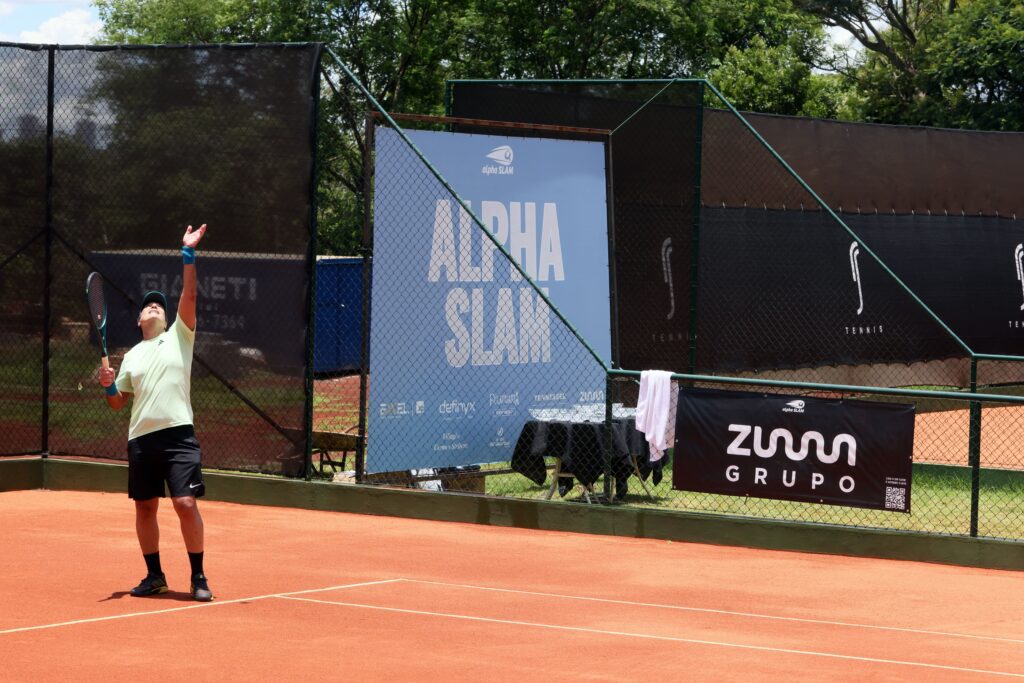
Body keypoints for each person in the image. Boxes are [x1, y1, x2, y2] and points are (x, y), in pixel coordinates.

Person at [98, 224, 213, 602]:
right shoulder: (131, 355)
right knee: (145, 507)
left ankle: (198, 576)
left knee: (184, 503)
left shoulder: (180, 335)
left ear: (167, 317)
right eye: (149, 304)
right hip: (140, 439)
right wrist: (109, 385)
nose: (154, 306)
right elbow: (118, 403)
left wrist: (188, 253)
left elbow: (191, 295)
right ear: (139, 320)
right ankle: (154, 576)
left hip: (178, 433)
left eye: (159, 305)